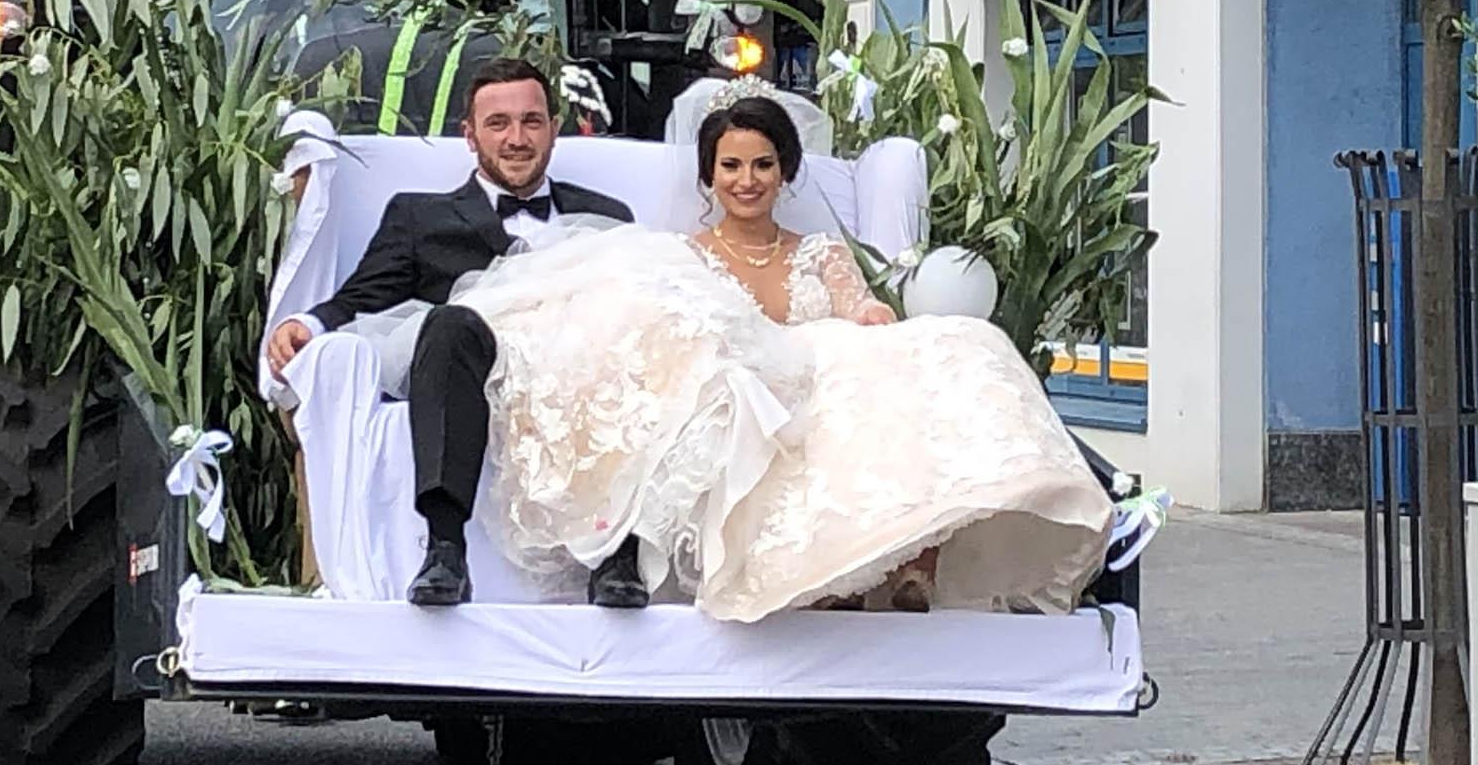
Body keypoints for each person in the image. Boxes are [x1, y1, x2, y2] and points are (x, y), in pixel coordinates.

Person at [446, 87, 1113, 618]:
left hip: (827, 369)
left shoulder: (820, 251)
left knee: (955, 342)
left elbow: (860, 306)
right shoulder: (684, 258)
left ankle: (916, 560)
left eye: (762, 164)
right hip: (754, 391)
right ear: (710, 175)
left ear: (784, 171)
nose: (747, 179)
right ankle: (824, 567)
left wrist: (871, 315)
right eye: (731, 165)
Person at [264, 57, 647, 609]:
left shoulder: (605, 214)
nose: (516, 139)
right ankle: (445, 549)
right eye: (498, 124)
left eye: (531, 122)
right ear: (469, 136)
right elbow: (361, 296)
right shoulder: (420, 216)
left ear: (554, 130)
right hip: (464, 361)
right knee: (450, 322)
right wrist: (309, 322)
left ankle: (617, 557)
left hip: (572, 364)